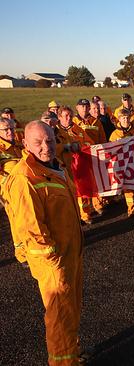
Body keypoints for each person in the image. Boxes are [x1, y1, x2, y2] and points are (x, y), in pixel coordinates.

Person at [5, 121, 84, 365]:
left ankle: (72, 352)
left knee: (70, 310)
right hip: (53, 261)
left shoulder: (53, 166)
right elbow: (32, 229)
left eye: (49, 140)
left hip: (69, 253)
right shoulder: (25, 178)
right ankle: (63, 362)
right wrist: (54, 261)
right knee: (60, 315)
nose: (45, 146)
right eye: (38, 142)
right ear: (25, 144)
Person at [58, 106, 97, 224]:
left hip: (78, 165)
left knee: (82, 191)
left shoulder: (78, 130)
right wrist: (64, 147)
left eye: (70, 115)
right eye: (65, 116)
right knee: (67, 194)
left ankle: (85, 215)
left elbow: (90, 143)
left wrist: (80, 146)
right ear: (59, 117)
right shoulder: (55, 131)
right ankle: (72, 217)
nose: (68, 118)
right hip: (63, 167)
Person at [110, 109, 134, 217]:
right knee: (127, 188)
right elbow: (111, 151)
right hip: (124, 166)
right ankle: (132, 209)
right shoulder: (114, 134)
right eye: (123, 118)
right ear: (119, 119)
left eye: (127, 117)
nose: (126, 120)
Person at [0, 117, 24, 263]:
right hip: (9, 191)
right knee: (16, 221)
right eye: (6, 129)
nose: (10, 131)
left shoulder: (17, 143)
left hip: (24, 189)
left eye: (12, 128)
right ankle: (21, 254)